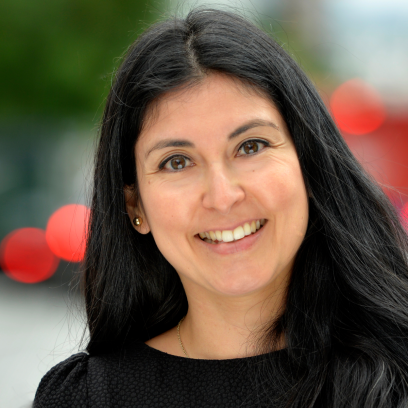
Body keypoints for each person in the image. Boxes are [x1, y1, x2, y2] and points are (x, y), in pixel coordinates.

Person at [34, 8, 408, 408]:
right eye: (177, 161)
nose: (222, 195)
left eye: (251, 146)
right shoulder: (86, 398)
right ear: (135, 205)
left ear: (310, 166)